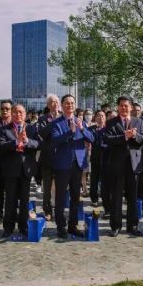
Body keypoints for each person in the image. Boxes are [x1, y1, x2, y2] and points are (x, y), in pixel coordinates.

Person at [51, 94, 95, 238]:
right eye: (67, 103)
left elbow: (91, 138)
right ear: (62, 105)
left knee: (75, 197)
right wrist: (70, 132)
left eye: (72, 103)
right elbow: (55, 141)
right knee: (60, 197)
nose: (70, 105)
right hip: (62, 165)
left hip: (78, 164)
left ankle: (73, 226)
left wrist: (81, 129)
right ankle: (61, 227)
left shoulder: (80, 121)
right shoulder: (57, 123)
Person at [103, 96, 143, 237]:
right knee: (116, 197)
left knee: (133, 197)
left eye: (126, 105)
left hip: (134, 164)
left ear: (131, 107)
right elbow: (107, 139)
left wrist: (135, 136)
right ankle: (115, 226)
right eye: (121, 105)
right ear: (117, 107)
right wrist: (124, 137)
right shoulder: (111, 122)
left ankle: (132, 226)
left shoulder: (138, 122)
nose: (123, 108)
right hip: (117, 164)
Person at [0, 104, 41, 238]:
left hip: (26, 169)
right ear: (12, 113)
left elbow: (38, 144)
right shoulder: (5, 129)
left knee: (24, 200)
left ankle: (23, 227)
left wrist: (27, 141)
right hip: (10, 169)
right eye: (15, 112)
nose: (18, 114)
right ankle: (8, 227)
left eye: (21, 112)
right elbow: (0, 146)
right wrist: (15, 142)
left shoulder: (32, 128)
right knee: (10, 200)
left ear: (25, 114)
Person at [36, 94, 60, 221]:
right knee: (47, 187)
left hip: (61, 158)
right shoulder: (43, 119)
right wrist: (54, 121)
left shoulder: (64, 117)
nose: (55, 104)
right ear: (48, 105)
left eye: (56, 101)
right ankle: (47, 210)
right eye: (52, 102)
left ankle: (59, 210)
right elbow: (43, 133)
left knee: (60, 187)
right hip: (47, 158)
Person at [88, 110, 107, 207]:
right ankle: (94, 198)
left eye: (103, 116)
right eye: (98, 115)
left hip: (106, 158)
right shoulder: (91, 129)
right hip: (95, 157)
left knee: (105, 180)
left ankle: (105, 198)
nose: (101, 117)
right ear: (95, 118)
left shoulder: (108, 129)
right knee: (94, 179)